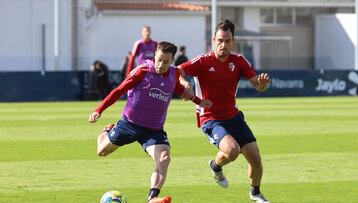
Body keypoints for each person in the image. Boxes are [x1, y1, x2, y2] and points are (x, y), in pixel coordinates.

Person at [88, 41, 211, 203]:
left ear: (172, 61)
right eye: (158, 59)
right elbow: (119, 91)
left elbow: (181, 91)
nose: (160, 64)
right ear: (155, 55)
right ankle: (106, 131)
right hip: (129, 124)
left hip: (153, 130)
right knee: (101, 151)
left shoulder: (174, 74)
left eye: (166, 62)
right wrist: (99, 110)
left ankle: (152, 197)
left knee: (164, 158)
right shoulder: (143, 70)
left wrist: (198, 101)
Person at [177, 20, 271, 203]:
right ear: (213, 40)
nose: (223, 45)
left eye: (228, 41)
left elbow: (258, 86)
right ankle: (215, 166)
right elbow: (177, 71)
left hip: (233, 117)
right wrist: (185, 84)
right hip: (210, 118)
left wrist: (263, 85)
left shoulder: (239, 60)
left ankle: (255, 193)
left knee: (256, 161)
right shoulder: (203, 61)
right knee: (232, 151)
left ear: (233, 41)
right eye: (220, 40)